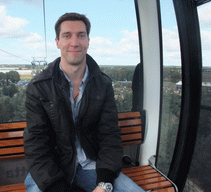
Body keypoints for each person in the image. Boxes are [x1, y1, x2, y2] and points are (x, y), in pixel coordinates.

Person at [23, 12, 144, 192]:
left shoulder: (103, 85)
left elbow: (109, 136)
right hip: (52, 172)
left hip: (93, 167)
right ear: (57, 42)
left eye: (81, 35)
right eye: (67, 36)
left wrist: (104, 184)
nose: (75, 42)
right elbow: (36, 144)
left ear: (88, 41)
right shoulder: (39, 87)